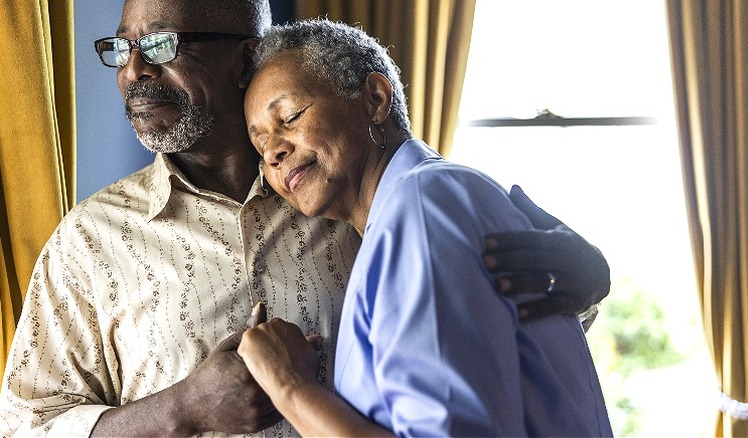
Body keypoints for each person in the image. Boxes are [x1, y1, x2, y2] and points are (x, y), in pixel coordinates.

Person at [0, 1, 609, 436]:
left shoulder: (364, 200)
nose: (132, 73)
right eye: (123, 51)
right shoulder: (88, 243)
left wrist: (585, 279)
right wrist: (181, 410)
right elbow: (25, 425)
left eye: (160, 45)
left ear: (244, 59)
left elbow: (497, 341)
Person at [237, 18, 612, 437]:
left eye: (289, 116)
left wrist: (289, 388)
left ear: (375, 99)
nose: (273, 151)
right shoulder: (411, 210)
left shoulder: (422, 204)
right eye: (259, 144)